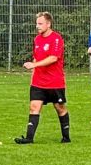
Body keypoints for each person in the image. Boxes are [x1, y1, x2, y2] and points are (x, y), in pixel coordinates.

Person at [15, 12, 70, 144]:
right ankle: (29, 138)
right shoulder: (37, 39)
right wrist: (33, 73)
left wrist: (34, 64)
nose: (37, 26)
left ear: (48, 24)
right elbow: (36, 57)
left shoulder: (56, 39)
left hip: (54, 82)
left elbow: (53, 58)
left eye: (40, 24)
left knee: (60, 108)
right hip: (38, 82)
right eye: (37, 23)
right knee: (34, 107)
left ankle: (66, 137)